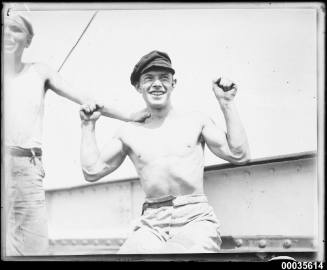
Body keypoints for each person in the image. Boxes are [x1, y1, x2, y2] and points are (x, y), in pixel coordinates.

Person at [3, 13, 150, 256]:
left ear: (28, 40)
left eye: (17, 30)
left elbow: (88, 101)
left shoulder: (40, 72)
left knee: (33, 249)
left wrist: (128, 116)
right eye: (4, 28)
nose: (8, 34)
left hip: (25, 168)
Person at [79, 50, 251, 253]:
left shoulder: (196, 121)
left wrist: (227, 103)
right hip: (151, 223)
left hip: (195, 218)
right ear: (138, 87)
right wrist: (87, 126)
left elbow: (239, 155)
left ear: (173, 84)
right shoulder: (129, 132)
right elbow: (92, 171)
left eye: (164, 78)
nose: (157, 84)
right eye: (149, 78)